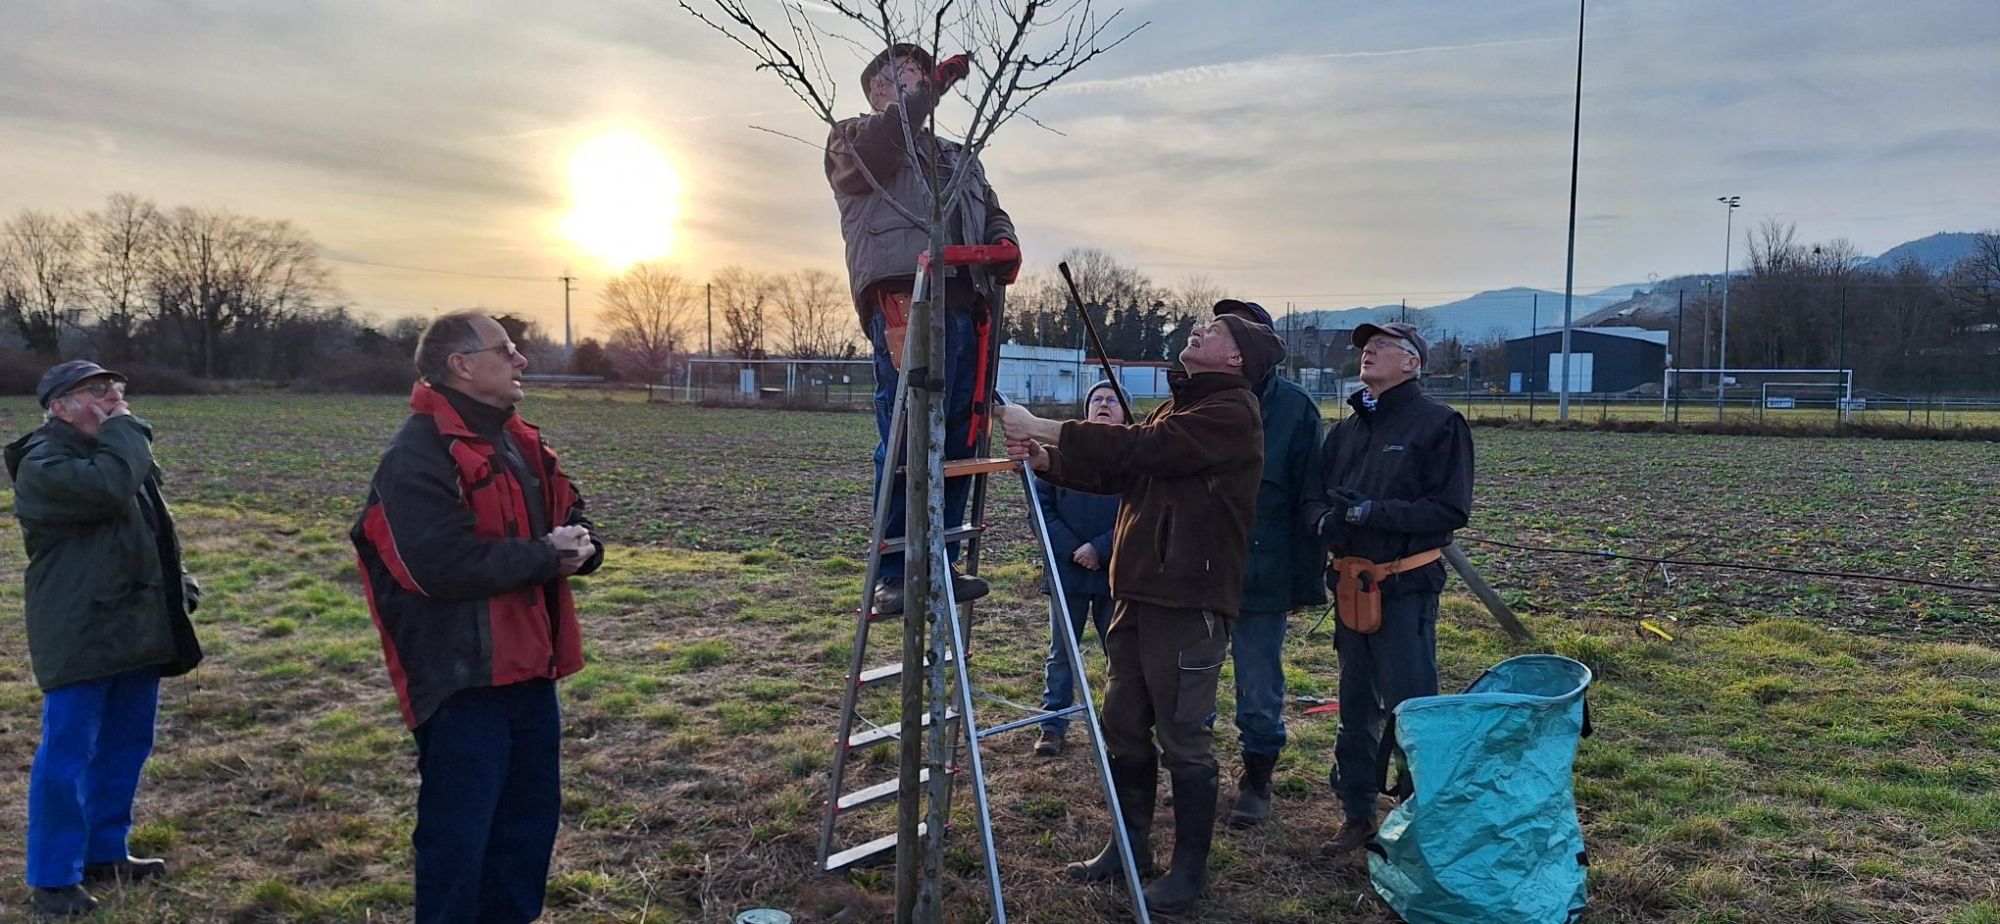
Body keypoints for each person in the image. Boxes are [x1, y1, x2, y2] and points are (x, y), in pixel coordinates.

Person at [1000, 315, 1287, 915]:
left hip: (1187, 600)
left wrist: (1048, 425)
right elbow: (1124, 469)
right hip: (1134, 590)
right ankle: (1128, 850)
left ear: (1237, 359)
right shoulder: (1176, 410)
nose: (1198, 333)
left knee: (1184, 737)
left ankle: (1189, 873)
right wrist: (1049, 460)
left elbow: (1142, 449)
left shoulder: (1232, 412)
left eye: (1214, 331)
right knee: (1124, 726)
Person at [351, 312, 605, 923]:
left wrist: (585, 547)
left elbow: (573, 513)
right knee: (458, 841)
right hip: (461, 680)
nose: (521, 360)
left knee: (526, 830)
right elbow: (437, 567)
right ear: (461, 366)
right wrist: (549, 555)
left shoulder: (519, 440)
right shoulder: (415, 456)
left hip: (529, 670)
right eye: (507, 349)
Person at [5, 361, 204, 918]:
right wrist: (128, 429)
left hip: (135, 625)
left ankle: (105, 852)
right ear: (59, 407)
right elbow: (111, 491)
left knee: (125, 746)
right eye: (97, 391)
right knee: (67, 756)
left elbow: (151, 525)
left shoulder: (118, 451)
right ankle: (52, 878)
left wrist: (174, 582)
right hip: (79, 631)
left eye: (117, 388)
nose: (115, 398)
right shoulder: (45, 464)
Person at [826, 42, 1019, 615]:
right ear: (879, 89)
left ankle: (940, 562)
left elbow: (990, 205)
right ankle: (894, 572)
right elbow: (887, 145)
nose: (920, 82)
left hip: (969, 302)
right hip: (906, 300)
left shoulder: (957, 155)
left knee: (962, 435)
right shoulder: (853, 139)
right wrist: (921, 96)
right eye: (908, 75)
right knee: (909, 432)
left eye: (922, 74)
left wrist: (1005, 240)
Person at [1297, 322, 1473, 858]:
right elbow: (1311, 498)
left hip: (1405, 588)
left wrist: (1376, 512)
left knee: (1411, 708)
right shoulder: (1346, 431)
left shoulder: (1440, 424)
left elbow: (1450, 509)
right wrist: (1325, 521)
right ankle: (1356, 814)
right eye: (1364, 347)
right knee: (1354, 706)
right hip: (1351, 586)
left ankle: (1420, 820)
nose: (1366, 351)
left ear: (1412, 363)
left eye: (1381, 347)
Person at [1209, 300, 1326, 829]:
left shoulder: (1297, 410)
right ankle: (1197, 775)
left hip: (1263, 576)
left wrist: (1303, 581)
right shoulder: (1197, 400)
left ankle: (1257, 780)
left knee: (1259, 688)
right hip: (1199, 572)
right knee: (1192, 683)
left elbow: (1309, 496)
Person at [1031, 380, 1126, 758]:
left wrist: (1101, 548)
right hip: (1067, 573)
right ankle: (1053, 724)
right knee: (1062, 653)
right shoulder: (1059, 456)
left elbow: (1138, 512)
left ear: (1123, 411)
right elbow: (1041, 511)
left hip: (1115, 573)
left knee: (1119, 655)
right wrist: (1075, 550)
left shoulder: (1134, 459)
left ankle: (1120, 728)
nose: (1103, 405)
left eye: (1112, 400)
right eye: (1096, 399)